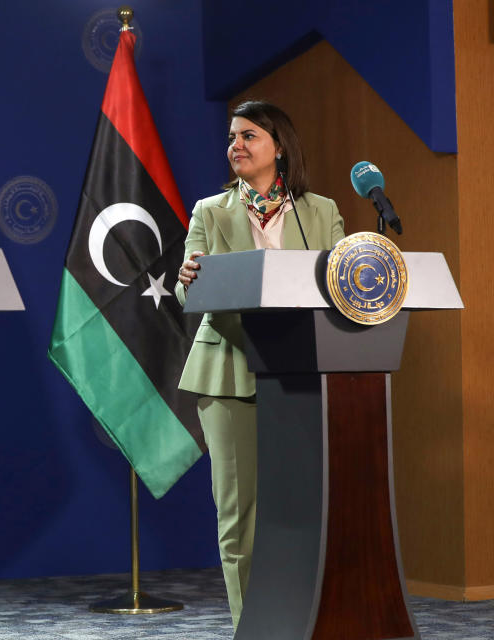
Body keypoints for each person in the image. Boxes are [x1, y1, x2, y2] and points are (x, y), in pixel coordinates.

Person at [174, 100, 345, 629]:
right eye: (232, 137)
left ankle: (302, 618)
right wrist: (186, 280)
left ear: (280, 145)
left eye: (249, 135)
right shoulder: (210, 210)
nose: (236, 146)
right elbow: (191, 298)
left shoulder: (321, 211)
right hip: (227, 372)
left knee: (302, 510)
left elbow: (342, 286)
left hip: (300, 372)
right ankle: (250, 626)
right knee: (239, 515)